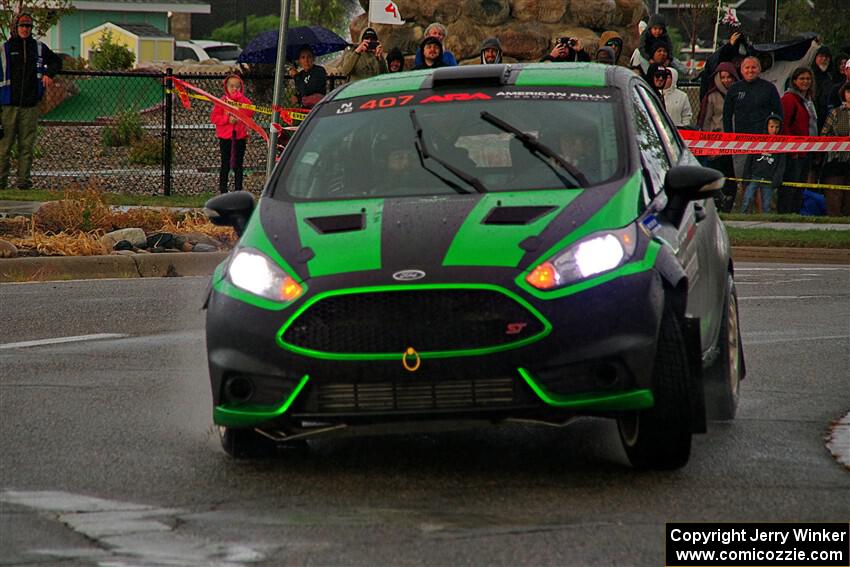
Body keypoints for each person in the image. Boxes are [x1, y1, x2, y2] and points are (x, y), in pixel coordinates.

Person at [0, 13, 62, 190]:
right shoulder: (4, 48)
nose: (25, 29)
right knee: (4, 147)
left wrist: (49, 74)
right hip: (8, 105)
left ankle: (23, 182)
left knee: (26, 147)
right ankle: (1, 182)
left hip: (30, 105)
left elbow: (57, 62)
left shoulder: (39, 48)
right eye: (22, 26)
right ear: (15, 27)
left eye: (28, 26)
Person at [722, 56, 783, 200]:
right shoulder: (735, 89)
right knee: (743, 178)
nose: (750, 70)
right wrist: (729, 137)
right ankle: (743, 208)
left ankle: (763, 211)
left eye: (753, 67)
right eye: (747, 67)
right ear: (741, 70)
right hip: (740, 142)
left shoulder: (769, 88)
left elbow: (779, 113)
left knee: (761, 179)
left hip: (763, 142)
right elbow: (726, 115)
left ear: (759, 69)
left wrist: (774, 135)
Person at [697, 62, 740, 212]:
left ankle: (730, 205)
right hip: (716, 143)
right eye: (723, 77)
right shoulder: (712, 96)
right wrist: (708, 146)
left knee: (732, 176)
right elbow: (706, 121)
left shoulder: (738, 94)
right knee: (717, 175)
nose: (726, 80)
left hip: (735, 142)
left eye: (729, 77)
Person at [779, 67, 817, 214]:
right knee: (790, 185)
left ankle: (795, 212)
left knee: (800, 185)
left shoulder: (808, 100)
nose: (805, 82)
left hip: (806, 151)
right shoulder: (789, 99)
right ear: (794, 81)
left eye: (808, 79)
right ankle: (785, 213)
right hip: (794, 152)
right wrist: (791, 148)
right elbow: (784, 124)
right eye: (801, 78)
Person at [210, 74, 254, 193]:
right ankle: (223, 190)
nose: (235, 89)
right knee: (225, 163)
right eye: (232, 86)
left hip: (240, 137)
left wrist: (240, 112)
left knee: (238, 165)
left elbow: (250, 112)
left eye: (238, 86)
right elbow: (214, 118)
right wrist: (227, 119)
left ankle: (238, 190)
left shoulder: (245, 102)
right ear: (226, 87)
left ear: (241, 87)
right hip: (225, 138)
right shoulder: (222, 102)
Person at [740, 114, 785, 214]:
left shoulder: (781, 145)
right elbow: (750, 159)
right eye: (772, 127)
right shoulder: (760, 141)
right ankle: (743, 216)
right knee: (747, 198)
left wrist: (777, 178)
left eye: (777, 127)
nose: (774, 130)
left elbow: (781, 165)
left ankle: (766, 221)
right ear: (767, 127)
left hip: (768, 179)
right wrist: (746, 175)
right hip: (754, 176)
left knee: (767, 204)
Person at [819, 82, 850, 216]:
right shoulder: (835, 113)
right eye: (849, 92)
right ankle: (834, 218)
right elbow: (824, 135)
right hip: (836, 159)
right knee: (834, 192)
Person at [812, 46, 834, 131]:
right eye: (821, 56)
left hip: (829, 115)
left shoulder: (832, 76)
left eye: (827, 57)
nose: (824, 59)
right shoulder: (810, 75)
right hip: (814, 114)